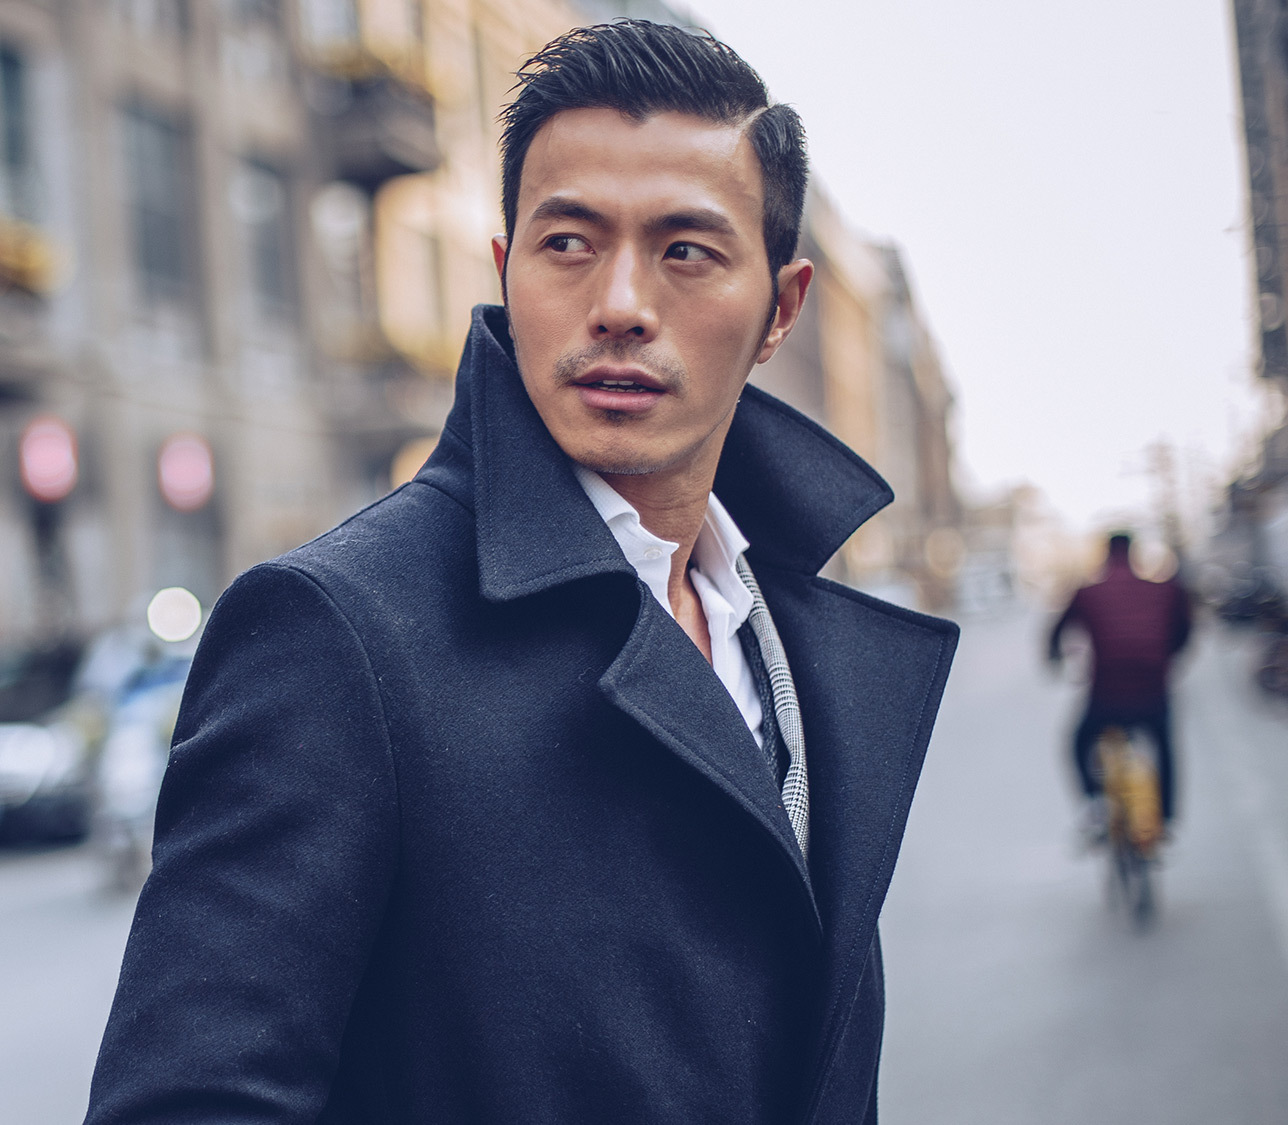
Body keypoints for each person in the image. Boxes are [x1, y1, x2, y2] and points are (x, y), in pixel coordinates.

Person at [85, 21, 958, 1125]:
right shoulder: (337, 630)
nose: (620, 302)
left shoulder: (781, 630)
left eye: (686, 251)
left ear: (781, 309)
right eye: (569, 243)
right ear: (505, 272)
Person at [1048, 532, 1193, 829]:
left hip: (1107, 694)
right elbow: (1184, 630)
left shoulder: (1087, 593)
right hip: (1153, 690)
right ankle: (1165, 817)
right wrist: (1168, 656)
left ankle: (1094, 802)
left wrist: (1055, 658)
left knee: (1079, 740)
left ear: (1106, 555)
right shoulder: (1165, 591)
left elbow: (1057, 631)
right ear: (1132, 554)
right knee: (1164, 743)